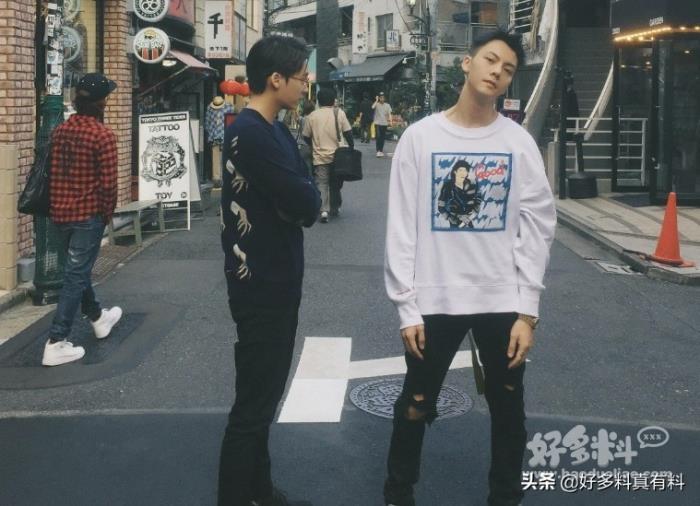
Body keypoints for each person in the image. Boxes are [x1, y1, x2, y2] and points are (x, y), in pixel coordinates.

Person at [383, 29, 556, 506]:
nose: (497, 72)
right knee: (416, 403)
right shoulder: (420, 138)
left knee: (508, 407)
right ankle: (398, 493)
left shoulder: (518, 143)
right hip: (434, 298)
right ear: (467, 62)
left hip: (501, 300)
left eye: (508, 69)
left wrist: (528, 312)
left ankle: (505, 497)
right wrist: (406, 306)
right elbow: (402, 226)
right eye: (490, 60)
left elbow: (539, 224)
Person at [218, 36, 320, 506]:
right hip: (260, 282)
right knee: (254, 404)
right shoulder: (253, 132)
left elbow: (305, 193)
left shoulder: (273, 128)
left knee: (262, 397)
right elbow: (305, 200)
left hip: (277, 277)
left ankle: (259, 488)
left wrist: (300, 198)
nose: (306, 83)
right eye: (301, 76)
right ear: (276, 79)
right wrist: (300, 199)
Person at [41, 73, 123, 367]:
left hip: (60, 212)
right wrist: (106, 214)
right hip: (88, 215)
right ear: (102, 102)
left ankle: (99, 318)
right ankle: (56, 341)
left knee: (78, 270)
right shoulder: (102, 135)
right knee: (75, 276)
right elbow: (108, 185)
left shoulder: (60, 131)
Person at [302, 87, 354, 222]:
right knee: (335, 183)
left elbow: (306, 136)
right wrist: (351, 146)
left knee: (322, 183)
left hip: (320, 156)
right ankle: (335, 207)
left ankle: (323, 210)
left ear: (319, 101)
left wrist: (314, 144)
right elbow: (348, 132)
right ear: (333, 100)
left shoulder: (312, 116)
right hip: (338, 156)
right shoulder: (339, 113)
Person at [437, 159, 483, 229]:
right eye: (460, 170)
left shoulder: (472, 184)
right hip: (455, 222)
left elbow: (478, 199)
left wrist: (473, 212)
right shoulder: (447, 186)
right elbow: (441, 207)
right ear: (455, 172)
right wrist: (451, 218)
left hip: (468, 221)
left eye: (465, 171)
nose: (463, 173)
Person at [372, 91, 392, 157]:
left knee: (382, 138)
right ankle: (378, 151)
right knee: (378, 136)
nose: (382, 99)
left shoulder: (387, 105)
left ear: (385, 98)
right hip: (377, 123)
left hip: (384, 123)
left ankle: (381, 150)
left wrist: (390, 121)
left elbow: (389, 114)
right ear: (379, 98)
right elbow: (372, 107)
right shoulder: (377, 104)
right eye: (380, 97)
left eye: (383, 97)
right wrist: (376, 100)